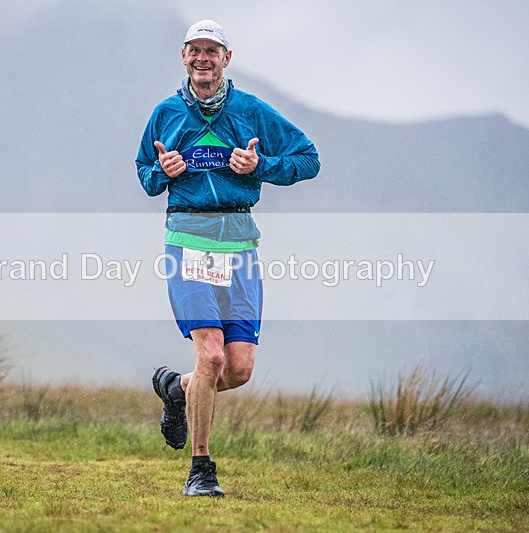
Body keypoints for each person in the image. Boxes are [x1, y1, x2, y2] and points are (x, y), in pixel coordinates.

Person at [135, 19, 320, 497]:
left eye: (211, 51)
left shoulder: (251, 110)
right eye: (194, 50)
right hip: (188, 239)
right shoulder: (166, 113)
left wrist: (262, 165)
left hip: (239, 243)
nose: (203, 58)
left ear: (226, 59)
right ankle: (200, 470)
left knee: (237, 368)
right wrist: (163, 171)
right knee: (212, 355)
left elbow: (309, 159)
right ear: (184, 56)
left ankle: (177, 389)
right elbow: (145, 174)